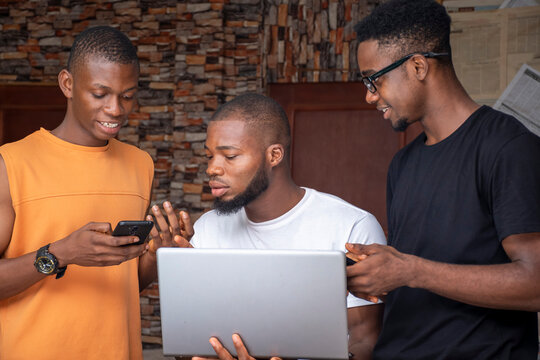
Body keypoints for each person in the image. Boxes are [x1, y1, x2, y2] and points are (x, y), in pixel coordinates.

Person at [345, 0, 540, 358]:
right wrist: (379, 275)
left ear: (418, 66)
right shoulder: (403, 164)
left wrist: (410, 271)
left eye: (375, 79)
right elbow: (419, 272)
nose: (369, 96)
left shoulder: (509, 148)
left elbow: (535, 283)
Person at [151, 93, 387, 360]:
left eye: (229, 156)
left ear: (274, 155)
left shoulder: (351, 226)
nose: (212, 169)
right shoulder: (207, 228)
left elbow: (365, 340)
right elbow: (188, 344)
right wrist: (178, 280)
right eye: (209, 156)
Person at [0, 26, 178, 359]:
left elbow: (127, 282)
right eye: (101, 94)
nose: (116, 109)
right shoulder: (10, 164)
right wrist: (60, 254)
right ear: (67, 84)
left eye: (127, 95)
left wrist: (157, 255)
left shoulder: (140, 164)